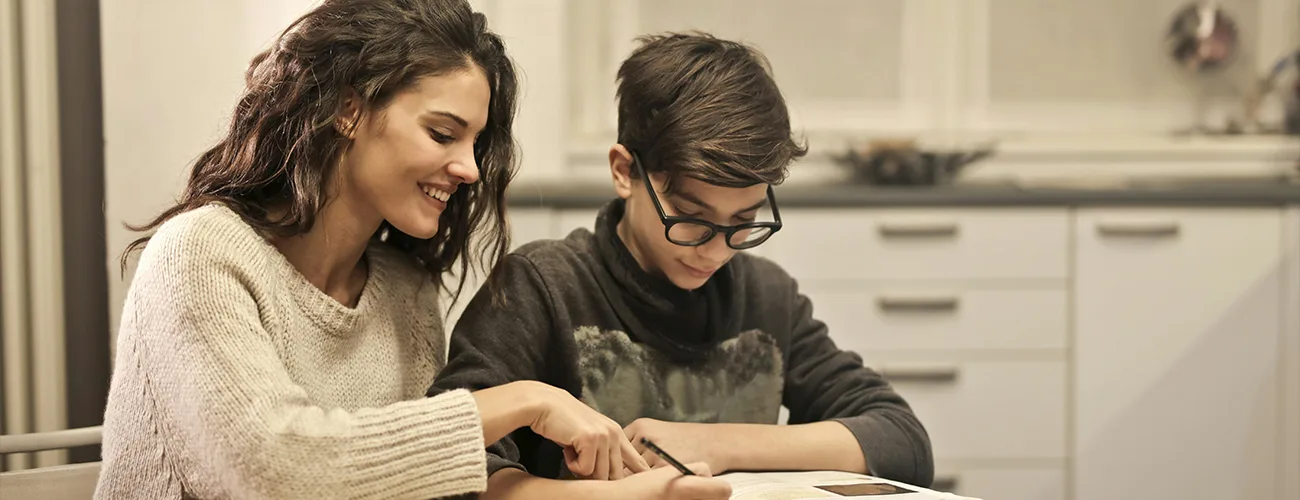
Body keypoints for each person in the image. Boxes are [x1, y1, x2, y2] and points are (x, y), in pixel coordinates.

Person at [95, 2, 731, 499]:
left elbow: (428, 486)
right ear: (348, 108)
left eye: (476, 145)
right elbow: (271, 469)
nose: (469, 170)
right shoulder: (201, 254)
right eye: (443, 133)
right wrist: (526, 400)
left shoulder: (402, 289)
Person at [431, 31, 935, 496]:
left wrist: (712, 445)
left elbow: (901, 439)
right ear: (625, 171)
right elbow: (449, 463)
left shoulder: (767, 295)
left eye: (743, 220)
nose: (716, 251)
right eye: (691, 219)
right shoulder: (541, 288)